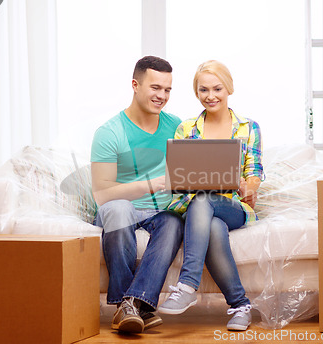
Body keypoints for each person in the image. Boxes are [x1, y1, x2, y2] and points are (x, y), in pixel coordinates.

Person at [158, 60, 265, 331]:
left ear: (228, 88)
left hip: (234, 207)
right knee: (212, 222)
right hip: (198, 208)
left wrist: (245, 186)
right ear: (197, 93)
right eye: (203, 90)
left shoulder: (248, 127)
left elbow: (254, 176)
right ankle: (240, 305)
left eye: (217, 88)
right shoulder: (187, 128)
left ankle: (187, 284)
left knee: (205, 200)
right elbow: (179, 176)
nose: (211, 96)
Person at [91, 56, 184, 333]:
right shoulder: (109, 133)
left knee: (174, 222)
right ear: (135, 84)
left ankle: (133, 305)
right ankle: (128, 305)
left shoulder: (176, 126)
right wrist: (152, 183)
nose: (162, 96)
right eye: (155, 88)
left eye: (167, 90)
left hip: (160, 212)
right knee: (119, 209)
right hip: (118, 208)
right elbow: (102, 194)